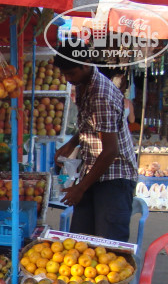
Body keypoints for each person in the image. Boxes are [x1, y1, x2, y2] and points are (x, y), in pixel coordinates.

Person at [54, 43, 138, 242]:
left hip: (114, 176)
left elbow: (110, 151)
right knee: (80, 242)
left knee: (108, 244)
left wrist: (80, 188)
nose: (68, 79)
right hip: (93, 172)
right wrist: (72, 143)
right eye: (65, 74)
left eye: (71, 73)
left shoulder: (101, 95)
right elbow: (92, 125)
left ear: (86, 64)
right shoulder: (83, 85)